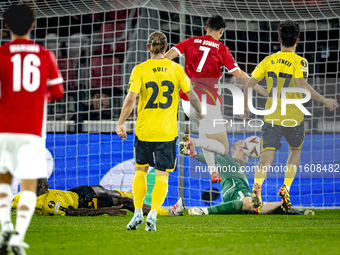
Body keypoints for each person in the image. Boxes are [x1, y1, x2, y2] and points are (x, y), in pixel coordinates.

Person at [242, 20, 338, 213]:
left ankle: (257, 187)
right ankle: (285, 187)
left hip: (272, 118)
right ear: (297, 41)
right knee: (295, 151)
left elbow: (248, 85)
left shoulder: (268, 60)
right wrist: (324, 100)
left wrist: (246, 107)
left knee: (267, 155)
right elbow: (302, 86)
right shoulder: (300, 62)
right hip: (294, 118)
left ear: (278, 39)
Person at [165, 15, 268, 183]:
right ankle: (192, 142)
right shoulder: (221, 49)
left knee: (206, 135)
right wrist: (259, 88)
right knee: (224, 149)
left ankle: (213, 171)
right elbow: (239, 75)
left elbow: (167, 58)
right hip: (207, 102)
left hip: (187, 101)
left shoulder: (190, 41)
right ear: (221, 31)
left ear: (206, 28)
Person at [116, 31, 202, 231]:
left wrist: (121, 122)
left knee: (140, 171)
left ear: (148, 47)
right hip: (166, 132)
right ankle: (153, 213)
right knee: (162, 175)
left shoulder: (140, 69)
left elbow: (130, 99)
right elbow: (192, 95)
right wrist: (201, 113)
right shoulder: (176, 69)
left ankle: (138, 212)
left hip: (144, 130)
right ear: (166, 48)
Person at [0, 4, 64, 255]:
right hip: (32, 133)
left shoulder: (2, 54)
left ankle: (5, 226)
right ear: (33, 25)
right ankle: (18, 238)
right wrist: (39, 94)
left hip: (4, 130)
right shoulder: (45, 55)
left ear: (6, 26)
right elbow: (58, 92)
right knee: (28, 186)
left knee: (4, 181)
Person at [179, 141, 314, 216]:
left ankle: (298, 211)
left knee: (274, 206)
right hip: (235, 190)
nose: (246, 153)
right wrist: (194, 152)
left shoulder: (239, 167)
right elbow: (210, 158)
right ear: (232, 152)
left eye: (247, 151)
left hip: (243, 194)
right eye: (242, 150)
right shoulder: (226, 158)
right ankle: (203, 211)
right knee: (251, 204)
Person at [11, 179, 185, 217]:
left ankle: (129, 197)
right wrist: (105, 211)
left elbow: (10, 205)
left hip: (76, 192)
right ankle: (169, 212)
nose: (46, 184)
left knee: (106, 190)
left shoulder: (19, 197)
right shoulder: (48, 204)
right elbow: (73, 212)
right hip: (83, 201)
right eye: (42, 184)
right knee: (125, 202)